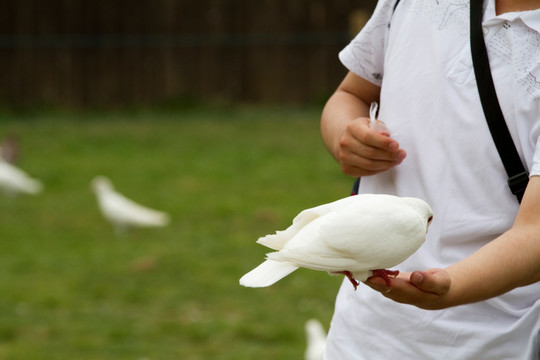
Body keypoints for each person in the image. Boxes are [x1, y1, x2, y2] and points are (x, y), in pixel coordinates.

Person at [320, 0, 540, 359]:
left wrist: (451, 286)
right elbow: (351, 95)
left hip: (494, 342)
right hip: (360, 330)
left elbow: (536, 232)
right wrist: (345, 136)